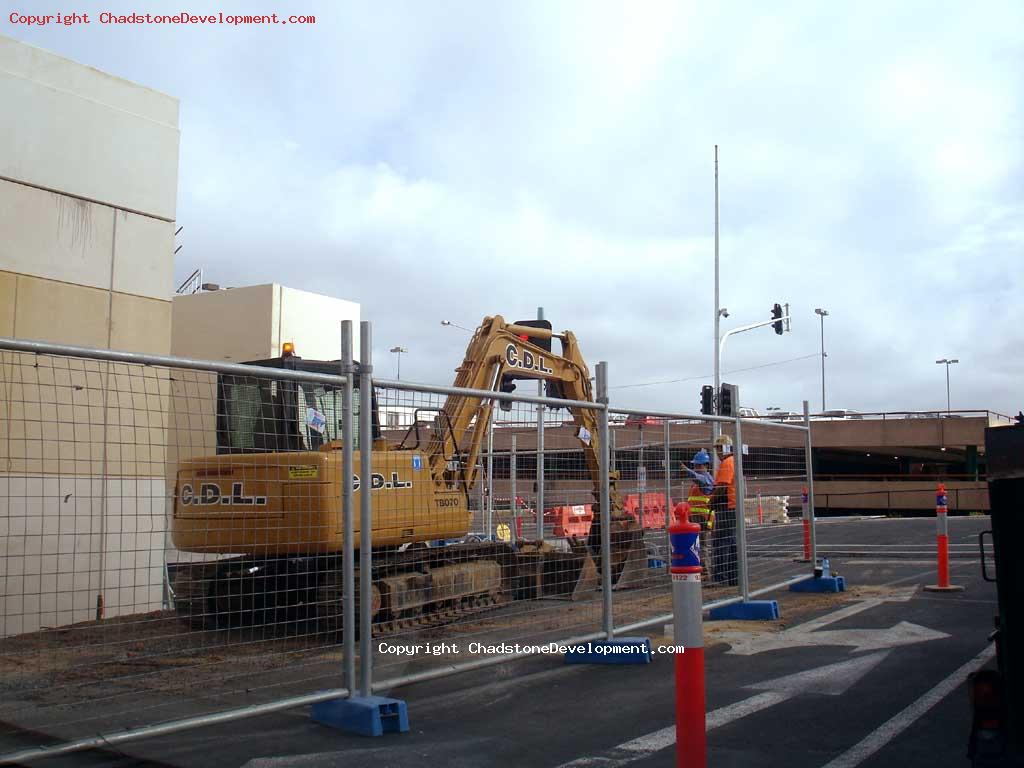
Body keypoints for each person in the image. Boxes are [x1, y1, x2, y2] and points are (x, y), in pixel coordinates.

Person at [709, 434, 738, 586]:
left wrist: (711, 501)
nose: (718, 452)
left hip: (726, 507)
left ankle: (720, 578)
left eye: (719, 448)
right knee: (732, 543)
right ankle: (733, 577)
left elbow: (722, 486)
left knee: (720, 543)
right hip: (733, 507)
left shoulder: (727, 463)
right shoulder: (734, 461)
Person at [683, 449, 715, 577]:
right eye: (695, 466)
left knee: (702, 546)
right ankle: (698, 569)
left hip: (702, 519)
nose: (696, 468)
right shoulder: (696, 484)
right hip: (694, 519)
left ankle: (705, 571)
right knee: (695, 545)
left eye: (699, 465)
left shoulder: (706, 479)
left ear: (706, 466)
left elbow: (698, 478)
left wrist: (687, 470)